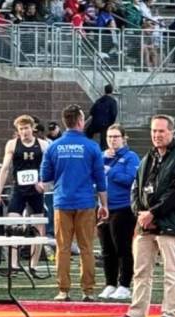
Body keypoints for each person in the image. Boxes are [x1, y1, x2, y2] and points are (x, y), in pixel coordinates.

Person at [110, 115, 175, 317]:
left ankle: (170, 314)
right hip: (145, 224)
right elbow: (135, 189)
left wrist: (153, 213)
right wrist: (140, 213)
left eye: (161, 131)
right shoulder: (147, 158)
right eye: (154, 131)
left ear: (171, 132)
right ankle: (137, 312)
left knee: (171, 271)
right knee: (141, 270)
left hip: (170, 224)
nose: (157, 135)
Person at [40, 104, 109, 301]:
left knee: (63, 248)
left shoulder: (53, 147)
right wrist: (104, 205)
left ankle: (63, 290)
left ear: (64, 122)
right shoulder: (92, 147)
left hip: (62, 202)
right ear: (80, 121)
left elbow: (45, 178)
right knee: (86, 248)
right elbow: (100, 180)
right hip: (86, 202)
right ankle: (88, 290)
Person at [0, 115, 51, 276]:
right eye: (21, 129)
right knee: (13, 224)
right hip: (19, 189)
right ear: (17, 130)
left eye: (26, 128)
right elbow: (5, 168)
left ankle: (33, 265)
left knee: (38, 225)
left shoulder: (43, 145)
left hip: (36, 190)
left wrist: (44, 183)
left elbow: (50, 167)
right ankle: (14, 264)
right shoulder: (12, 145)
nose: (24, 132)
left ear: (32, 128)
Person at [98, 124, 140, 300]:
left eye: (116, 136)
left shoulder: (130, 157)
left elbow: (131, 179)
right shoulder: (102, 157)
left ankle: (124, 284)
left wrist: (111, 172)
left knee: (122, 247)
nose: (112, 140)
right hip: (103, 207)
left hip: (122, 207)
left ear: (124, 138)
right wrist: (102, 162)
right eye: (109, 137)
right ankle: (110, 283)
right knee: (107, 248)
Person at [85, 84, 119, 149]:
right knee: (104, 142)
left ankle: (87, 146)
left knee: (88, 133)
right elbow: (114, 114)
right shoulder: (112, 101)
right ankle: (102, 153)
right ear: (111, 91)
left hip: (95, 123)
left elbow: (92, 111)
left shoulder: (99, 100)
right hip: (105, 124)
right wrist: (111, 124)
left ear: (104, 91)